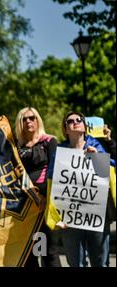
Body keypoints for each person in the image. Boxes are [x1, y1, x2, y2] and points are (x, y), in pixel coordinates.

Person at [56, 111, 114, 267]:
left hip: (96, 214)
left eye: (79, 119)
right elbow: (53, 182)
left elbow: (110, 173)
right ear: (65, 129)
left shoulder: (96, 145)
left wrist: (98, 159)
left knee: (100, 262)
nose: (75, 122)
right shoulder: (59, 151)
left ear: (85, 126)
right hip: (70, 216)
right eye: (70, 121)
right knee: (76, 263)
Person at [14, 107, 61, 267]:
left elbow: (56, 170)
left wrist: (46, 199)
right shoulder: (16, 147)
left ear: (37, 120)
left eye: (31, 118)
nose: (28, 121)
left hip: (47, 203)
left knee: (50, 251)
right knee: (29, 251)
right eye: (24, 119)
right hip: (25, 205)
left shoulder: (49, 141)